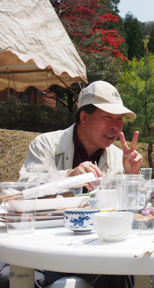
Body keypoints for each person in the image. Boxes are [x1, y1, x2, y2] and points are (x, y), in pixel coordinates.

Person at [0, 80, 142, 288]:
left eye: (119, 119)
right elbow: (25, 189)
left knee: (122, 273)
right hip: (44, 247)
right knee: (10, 279)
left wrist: (131, 177)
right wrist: (69, 176)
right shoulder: (45, 144)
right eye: (108, 117)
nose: (116, 126)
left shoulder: (119, 157)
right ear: (84, 117)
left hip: (97, 249)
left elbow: (132, 215)